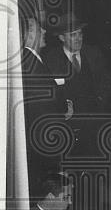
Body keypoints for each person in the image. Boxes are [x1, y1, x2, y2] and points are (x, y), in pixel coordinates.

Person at [41, 12, 111, 159]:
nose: (78, 38)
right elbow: (48, 91)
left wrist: (101, 99)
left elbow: (107, 78)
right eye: (73, 35)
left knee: (97, 160)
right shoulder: (51, 60)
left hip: (94, 121)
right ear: (62, 38)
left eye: (80, 33)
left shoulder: (93, 53)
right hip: (68, 125)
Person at [19, 16, 73, 180]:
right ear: (28, 35)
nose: (44, 31)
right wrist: (64, 110)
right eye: (39, 29)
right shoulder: (29, 64)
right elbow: (44, 107)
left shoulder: (32, 59)